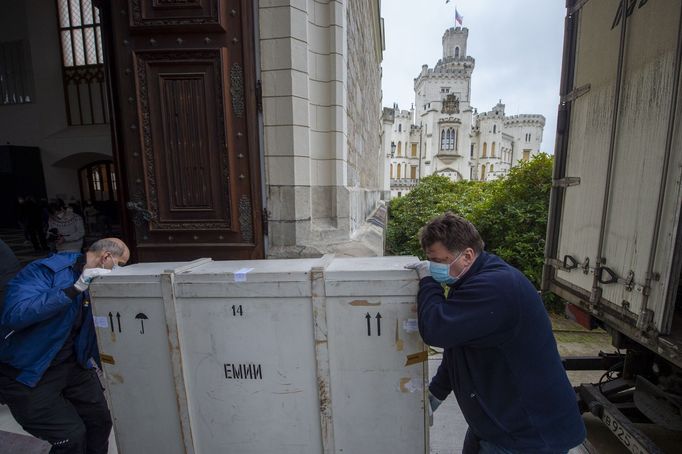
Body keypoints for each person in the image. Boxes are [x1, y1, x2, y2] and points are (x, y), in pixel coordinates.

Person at [406, 213, 585, 454]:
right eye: (430, 262)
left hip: (528, 433)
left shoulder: (496, 287)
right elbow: (459, 345)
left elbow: (437, 329)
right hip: (495, 422)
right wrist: (436, 393)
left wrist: (428, 283)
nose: (434, 268)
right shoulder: (470, 281)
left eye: (439, 261)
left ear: (467, 255)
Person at [0, 238, 129, 454]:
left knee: (100, 423)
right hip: (30, 372)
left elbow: (95, 334)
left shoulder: (99, 285)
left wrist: (118, 375)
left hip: (73, 364)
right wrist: (74, 289)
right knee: (71, 438)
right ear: (106, 257)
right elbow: (16, 314)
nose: (119, 272)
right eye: (120, 265)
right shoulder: (45, 271)